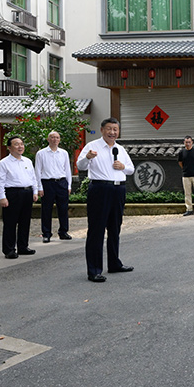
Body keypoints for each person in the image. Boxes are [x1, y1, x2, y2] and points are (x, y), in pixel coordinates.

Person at [77, 118, 135, 283]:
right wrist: (87, 158)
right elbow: (80, 166)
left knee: (115, 228)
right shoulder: (92, 147)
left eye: (115, 129)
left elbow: (131, 169)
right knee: (97, 229)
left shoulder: (120, 149)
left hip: (119, 189)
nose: (112, 132)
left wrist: (123, 167)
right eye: (109, 129)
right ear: (102, 130)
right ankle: (94, 270)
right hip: (100, 189)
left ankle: (114, 263)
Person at [0, 135, 38, 260]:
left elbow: (33, 178)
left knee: (25, 222)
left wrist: (34, 191)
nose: (20, 147)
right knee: (10, 223)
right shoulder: (3, 164)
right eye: (16, 144)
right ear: (9, 147)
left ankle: (23, 247)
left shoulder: (27, 161)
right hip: (12, 194)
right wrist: (2, 197)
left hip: (27, 193)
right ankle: (9, 249)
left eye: (22, 144)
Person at [35, 131, 72, 242]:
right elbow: (37, 171)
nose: (55, 139)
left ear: (59, 139)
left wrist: (68, 185)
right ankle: (46, 233)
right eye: (52, 137)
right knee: (46, 209)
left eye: (57, 137)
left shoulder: (64, 153)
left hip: (61, 183)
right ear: (48, 139)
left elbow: (67, 170)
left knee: (63, 209)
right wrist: (39, 187)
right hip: (47, 183)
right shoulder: (41, 153)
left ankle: (63, 232)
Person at [177, 136, 194, 216]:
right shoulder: (181, 152)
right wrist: (185, 169)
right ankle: (189, 209)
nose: (187, 144)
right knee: (187, 193)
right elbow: (180, 162)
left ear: (192, 142)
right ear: (184, 143)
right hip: (186, 175)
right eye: (186, 142)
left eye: (189, 142)